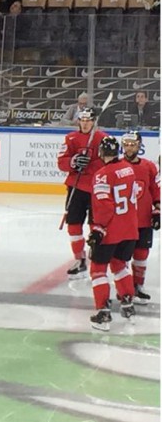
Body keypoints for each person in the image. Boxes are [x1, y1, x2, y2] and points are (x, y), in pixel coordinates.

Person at [87, 136, 139, 331]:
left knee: (98, 270)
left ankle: (103, 313)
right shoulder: (128, 169)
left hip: (111, 230)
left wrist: (98, 229)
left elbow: (104, 206)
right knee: (119, 265)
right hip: (130, 229)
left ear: (101, 153)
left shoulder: (102, 175)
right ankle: (127, 304)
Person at [57, 108, 107, 279]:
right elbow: (61, 162)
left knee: (96, 225)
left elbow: (108, 162)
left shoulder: (103, 138)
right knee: (73, 224)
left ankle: (97, 258)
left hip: (97, 188)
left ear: (93, 121)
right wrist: (74, 162)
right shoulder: (71, 138)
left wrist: (90, 165)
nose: (85, 123)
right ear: (78, 121)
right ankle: (80, 259)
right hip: (76, 187)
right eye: (82, 120)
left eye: (88, 120)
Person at [120, 131, 160, 304]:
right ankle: (125, 287)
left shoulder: (149, 166)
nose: (129, 147)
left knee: (141, 254)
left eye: (133, 144)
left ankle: (138, 286)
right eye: (126, 144)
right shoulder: (117, 167)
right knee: (122, 257)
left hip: (143, 219)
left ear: (139, 145)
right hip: (123, 221)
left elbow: (156, 189)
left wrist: (157, 210)